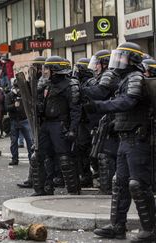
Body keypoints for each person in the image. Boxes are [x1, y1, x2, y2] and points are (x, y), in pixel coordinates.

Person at [90, 42, 155, 242]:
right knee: (119, 183)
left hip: (138, 139)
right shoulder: (123, 79)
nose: (117, 61)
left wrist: (99, 106)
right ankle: (117, 226)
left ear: (133, 60)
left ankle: (150, 229)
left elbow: (127, 102)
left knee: (137, 184)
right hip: (125, 138)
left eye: (122, 57)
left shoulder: (135, 77)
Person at [31, 56, 81, 196]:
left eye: (47, 68)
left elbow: (76, 110)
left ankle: (73, 190)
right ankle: (43, 189)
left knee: (65, 160)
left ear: (56, 70)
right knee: (38, 157)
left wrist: (72, 129)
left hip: (60, 125)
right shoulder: (47, 85)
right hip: (46, 124)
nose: (45, 71)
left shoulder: (71, 85)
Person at [82, 49, 118, 195]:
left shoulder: (109, 75)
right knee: (99, 154)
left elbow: (100, 92)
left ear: (104, 63)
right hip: (100, 121)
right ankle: (105, 184)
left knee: (106, 154)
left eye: (97, 63)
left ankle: (108, 187)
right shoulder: (99, 76)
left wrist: (81, 90)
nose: (95, 66)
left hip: (109, 119)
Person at [17, 56, 45, 188]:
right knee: (35, 151)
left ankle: (39, 181)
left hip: (45, 122)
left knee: (40, 153)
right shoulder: (36, 82)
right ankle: (33, 179)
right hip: (37, 122)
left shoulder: (44, 82)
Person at [72, 57, 96, 188]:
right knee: (81, 150)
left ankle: (96, 175)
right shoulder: (80, 83)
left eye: (78, 69)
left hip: (90, 121)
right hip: (83, 121)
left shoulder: (91, 83)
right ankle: (86, 176)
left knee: (94, 152)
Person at [5, 80, 33, 166]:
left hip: (24, 119)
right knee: (14, 141)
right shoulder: (9, 95)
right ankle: (15, 159)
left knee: (29, 141)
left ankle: (31, 158)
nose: (18, 90)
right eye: (17, 88)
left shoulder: (24, 94)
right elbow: (6, 107)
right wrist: (14, 105)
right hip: (14, 120)